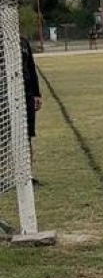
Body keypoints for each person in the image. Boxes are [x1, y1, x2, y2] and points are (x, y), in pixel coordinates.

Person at [19, 36, 42, 184]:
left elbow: (31, 68)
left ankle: (26, 174)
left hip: (25, 94)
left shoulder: (23, 42)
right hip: (4, 94)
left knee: (26, 135)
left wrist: (36, 94)